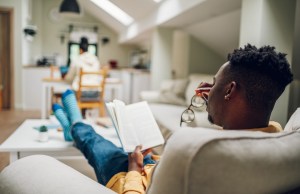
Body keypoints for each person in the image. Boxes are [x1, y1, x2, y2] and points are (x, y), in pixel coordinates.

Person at [52, 44, 293, 194]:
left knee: (95, 142)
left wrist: (135, 169)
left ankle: (74, 124)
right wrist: (153, 160)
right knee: (126, 146)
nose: (204, 89)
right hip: (157, 167)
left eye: (214, 82)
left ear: (229, 91)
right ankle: (72, 127)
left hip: (130, 179)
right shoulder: (278, 140)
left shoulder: (201, 149)